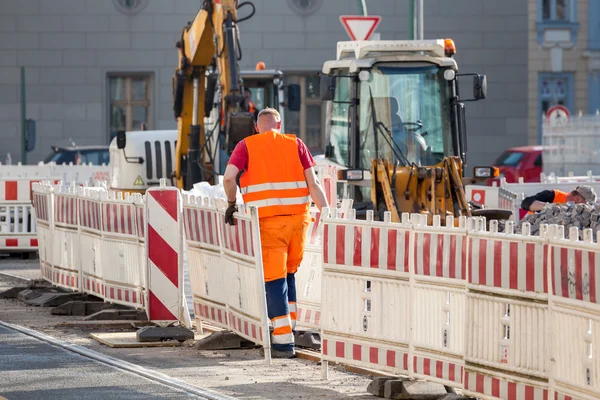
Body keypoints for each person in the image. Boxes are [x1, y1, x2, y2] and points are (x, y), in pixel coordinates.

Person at [222, 107, 329, 358]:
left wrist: (231, 203)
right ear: (279, 125)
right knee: (289, 272)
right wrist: (326, 212)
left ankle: (282, 341)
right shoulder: (296, 144)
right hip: (299, 222)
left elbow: (229, 179)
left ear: (257, 126)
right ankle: (290, 326)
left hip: (269, 223)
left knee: (274, 279)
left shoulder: (246, 145)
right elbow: (313, 184)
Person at [520, 185, 597, 214]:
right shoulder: (553, 195)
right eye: (587, 204)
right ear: (578, 198)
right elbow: (525, 203)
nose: (587, 207)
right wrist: (553, 206)